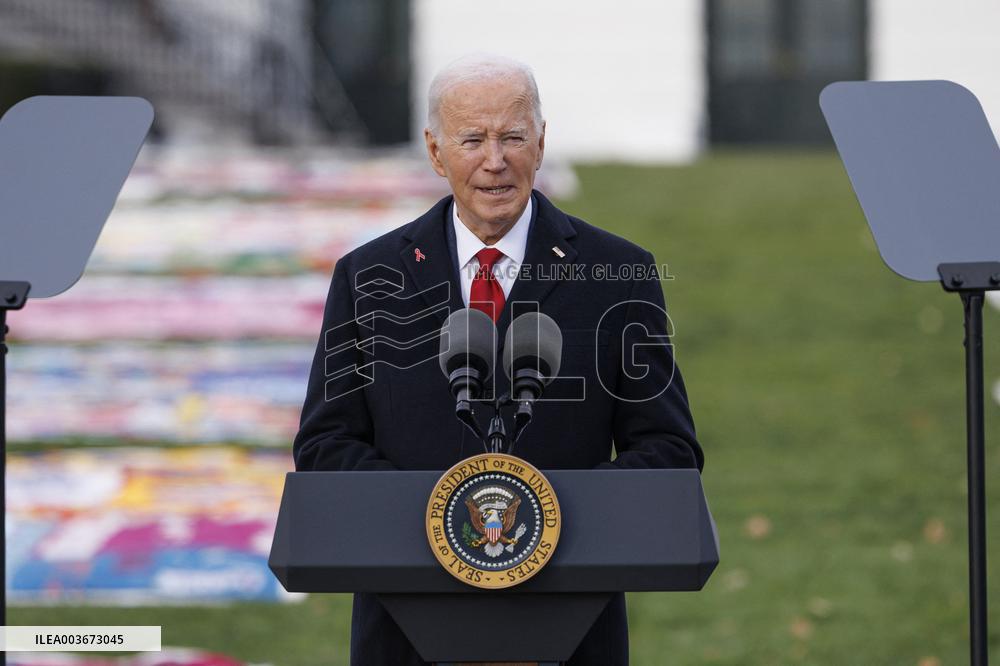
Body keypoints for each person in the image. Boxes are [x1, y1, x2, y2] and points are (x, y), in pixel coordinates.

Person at [293, 54, 703, 666]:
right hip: (406, 629)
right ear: (436, 153)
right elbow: (325, 445)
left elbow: (669, 451)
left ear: (541, 144)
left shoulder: (619, 275)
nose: (495, 160)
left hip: (569, 628)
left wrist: (545, 515)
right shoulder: (368, 276)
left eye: (513, 136)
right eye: (472, 139)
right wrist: (444, 516)